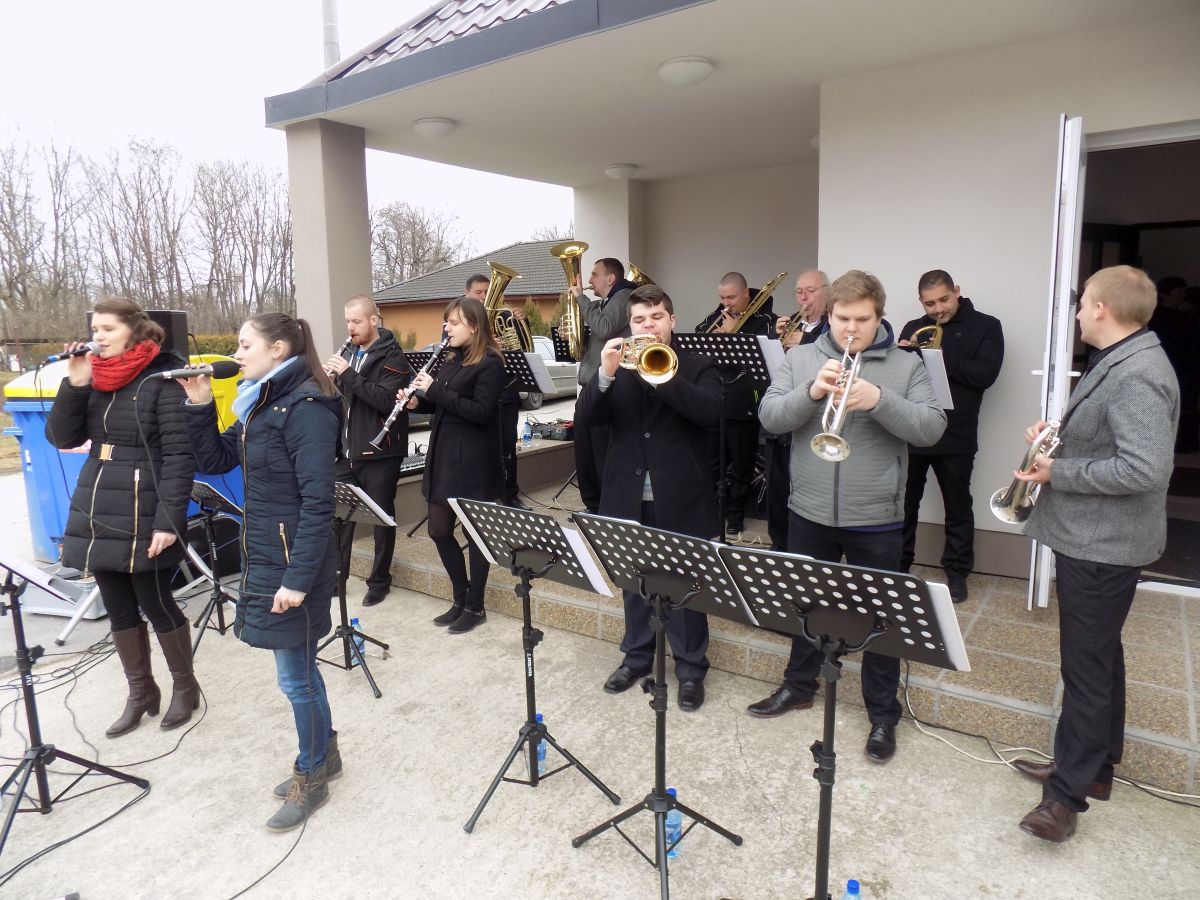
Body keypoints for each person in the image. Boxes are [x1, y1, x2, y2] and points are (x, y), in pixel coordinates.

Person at [1010, 265, 1178, 843]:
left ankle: (1064, 798)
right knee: (1101, 656)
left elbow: (1144, 469)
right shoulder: (1124, 357)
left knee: (1084, 669)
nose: (1078, 312)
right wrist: (1057, 437)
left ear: (1102, 308)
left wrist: (1058, 471)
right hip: (1099, 539)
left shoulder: (1138, 373)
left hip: (1104, 544)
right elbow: (1111, 439)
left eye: (1082, 303)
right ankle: (1096, 768)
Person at [751, 270, 946, 764]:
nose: (851, 329)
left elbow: (931, 428)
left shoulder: (906, 364)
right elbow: (770, 417)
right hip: (809, 509)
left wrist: (879, 400)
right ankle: (799, 685)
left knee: (881, 617)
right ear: (830, 315)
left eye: (862, 319)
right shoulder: (801, 358)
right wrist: (811, 393)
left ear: (879, 317)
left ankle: (882, 713)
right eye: (842, 319)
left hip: (876, 515)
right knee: (805, 605)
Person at [181, 313, 342, 832]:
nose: (236, 353)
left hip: (294, 562)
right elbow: (215, 458)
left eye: (244, 344)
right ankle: (326, 753)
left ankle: (312, 774)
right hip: (271, 552)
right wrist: (200, 404)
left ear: (278, 350)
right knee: (301, 671)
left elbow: (319, 504)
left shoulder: (307, 408)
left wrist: (296, 580)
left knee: (295, 677)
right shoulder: (260, 403)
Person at [45, 297, 198, 737]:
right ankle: (140, 692)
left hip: (145, 501)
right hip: (99, 499)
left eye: (108, 329)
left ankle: (185, 687)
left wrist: (168, 521)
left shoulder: (162, 378)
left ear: (134, 330)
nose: (98, 337)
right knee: (117, 606)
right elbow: (61, 437)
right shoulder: (93, 377)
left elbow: (179, 456)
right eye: (95, 329)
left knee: (156, 602)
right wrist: (75, 384)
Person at [577, 285, 722, 711]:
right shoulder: (617, 367)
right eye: (639, 320)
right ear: (630, 325)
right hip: (626, 493)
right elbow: (587, 420)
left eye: (656, 317)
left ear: (672, 320)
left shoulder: (699, 366)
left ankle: (690, 668)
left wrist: (663, 377)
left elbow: (710, 413)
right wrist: (604, 376)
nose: (648, 326)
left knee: (686, 584)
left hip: (681, 495)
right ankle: (637, 656)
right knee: (633, 580)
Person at [897, 270, 1004, 602]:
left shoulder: (986, 326)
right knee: (903, 504)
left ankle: (957, 573)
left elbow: (985, 375)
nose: (938, 309)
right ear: (920, 302)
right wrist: (902, 357)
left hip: (957, 432)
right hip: (914, 428)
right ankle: (898, 567)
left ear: (957, 291)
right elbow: (898, 381)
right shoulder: (913, 328)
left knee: (957, 505)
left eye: (944, 299)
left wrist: (936, 355)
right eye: (929, 304)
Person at [405, 297, 504, 634]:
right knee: (438, 530)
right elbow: (442, 404)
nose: (446, 328)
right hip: (444, 455)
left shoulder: (490, 364)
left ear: (474, 326)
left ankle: (476, 605)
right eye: (446, 322)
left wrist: (435, 390)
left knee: (475, 535)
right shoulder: (450, 359)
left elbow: (480, 412)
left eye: (454, 323)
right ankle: (460, 596)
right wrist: (416, 403)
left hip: (473, 461)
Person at [325, 295, 412, 607]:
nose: (350, 327)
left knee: (380, 519)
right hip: (348, 452)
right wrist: (329, 382)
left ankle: (379, 581)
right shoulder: (349, 352)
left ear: (373, 321)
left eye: (357, 321)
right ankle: (338, 577)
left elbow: (386, 400)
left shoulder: (394, 357)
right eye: (348, 321)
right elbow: (344, 400)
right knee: (337, 515)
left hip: (381, 452)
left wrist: (348, 374)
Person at [695, 272, 778, 535]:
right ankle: (713, 509)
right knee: (712, 461)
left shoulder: (765, 320)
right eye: (722, 297)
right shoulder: (717, 316)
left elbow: (765, 355)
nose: (725, 303)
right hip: (716, 399)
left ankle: (735, 514)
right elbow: (698, 338)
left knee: (742, 464)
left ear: (746, 294)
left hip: (745, 402)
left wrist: (733, 335)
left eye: (731, 297)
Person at [765, 270, 830, 549]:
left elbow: (829, 364)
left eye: (810, 291)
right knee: (777, 490)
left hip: (811, 421)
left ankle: (799, 551)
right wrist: (772, 338)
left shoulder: (831, 327)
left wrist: (803, 342)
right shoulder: (789, 323)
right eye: (799, 292)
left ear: (826, 292)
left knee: (802, 492)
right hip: (781, 420)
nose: (803, 298)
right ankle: (779, 548)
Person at [568, 258, 639, 512]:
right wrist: (573, 333)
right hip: (591, 383)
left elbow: (605, 328)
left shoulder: (624, 297)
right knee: (584, 446)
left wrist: (580, 298)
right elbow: (598, 334)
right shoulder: (607, 302)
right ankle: (592, 503)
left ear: (610, 279)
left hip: (609, 384)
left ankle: (602, 504)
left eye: (594, 275)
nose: (589, 280)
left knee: (599, 448)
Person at [467, 272, 529, 509]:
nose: (484, 297)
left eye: (488, 292)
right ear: (467, 294)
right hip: (479, 396)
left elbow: (524, 349)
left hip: (506, 392)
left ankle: (510, 495)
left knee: (508, 446)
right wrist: (487, 343)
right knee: (483, 447)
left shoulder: (504, 317)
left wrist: (522, 324)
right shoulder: (460, 322)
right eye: (478, 292)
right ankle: (486, 495)